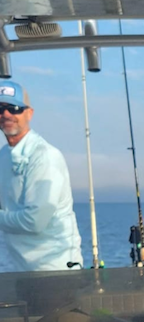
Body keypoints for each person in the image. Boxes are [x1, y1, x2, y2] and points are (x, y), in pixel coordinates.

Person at [0, 81, 83, 271]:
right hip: (20, 271)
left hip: (56, 272)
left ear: (29, 113)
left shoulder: (45, 156)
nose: (6, 114)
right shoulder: (4, 156)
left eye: (14, 108)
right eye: (1, 108)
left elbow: (34, 221)